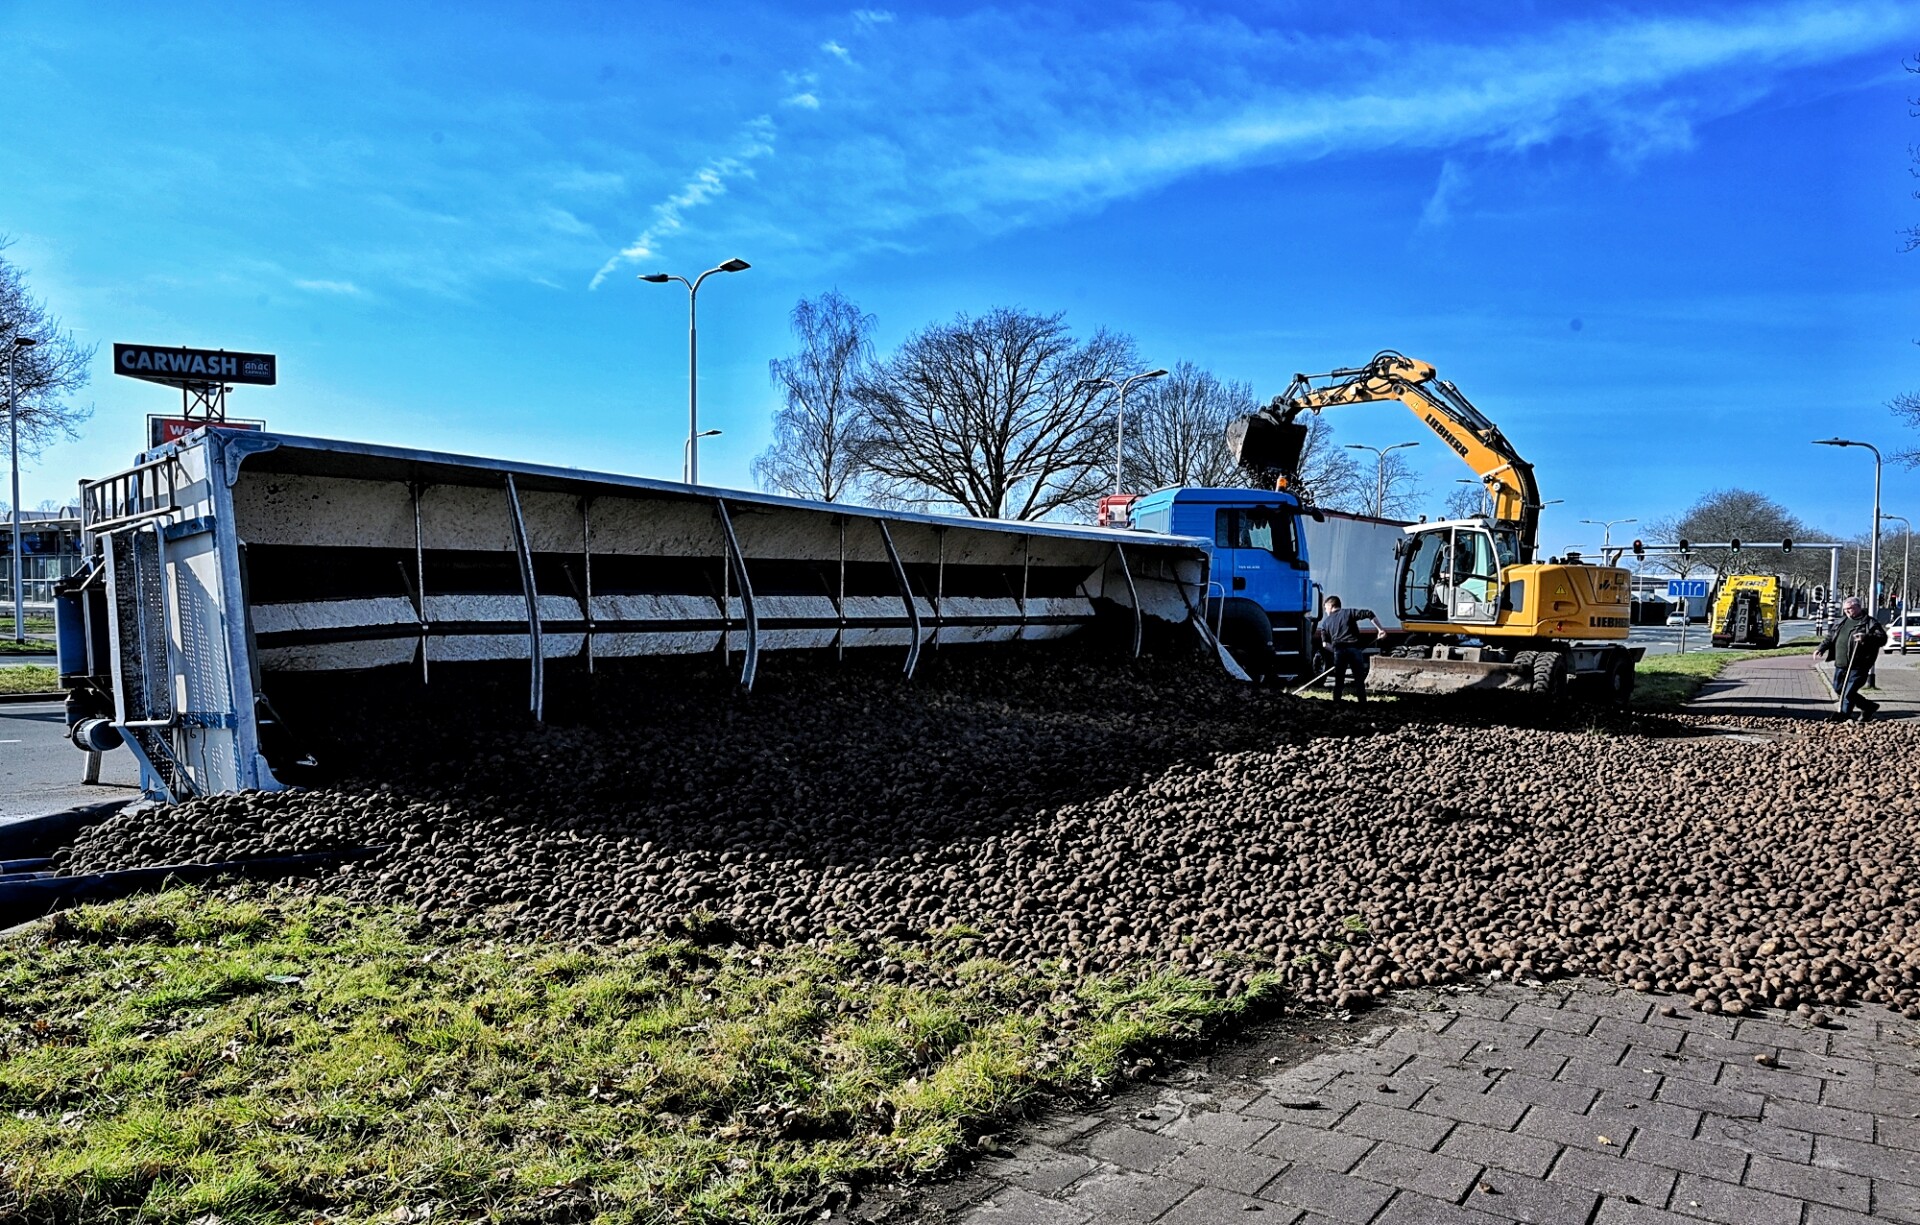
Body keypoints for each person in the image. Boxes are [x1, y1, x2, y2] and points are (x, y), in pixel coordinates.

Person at [1817, 596, 1887, 722]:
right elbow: (1831, 637)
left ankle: (1843, 715)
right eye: (1845, 609)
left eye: (1850, 608)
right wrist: (1821, 648)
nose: (1847, 611)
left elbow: (1882, 639)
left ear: (1858, 607)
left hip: (1859, 664)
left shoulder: (1870, 623)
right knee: (1838, 688)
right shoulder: (1842, 621)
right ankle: (1868, 706)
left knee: (1848, 691)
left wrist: (1866, 637)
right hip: (1841, 663)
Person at [1317, 595, 1383, 703]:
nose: (1325, 611)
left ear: (1331, 605)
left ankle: (1337, 703)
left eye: (1325, 608)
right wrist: (1380, 630)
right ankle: (1362, 704)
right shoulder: (1349, 613)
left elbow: (1325, 645)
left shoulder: (1325, 623)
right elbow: (1369, 613)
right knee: (1359, 680)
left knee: (1339, 681)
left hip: (1339, 651)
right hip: (1354, 649)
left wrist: (1336, 651)